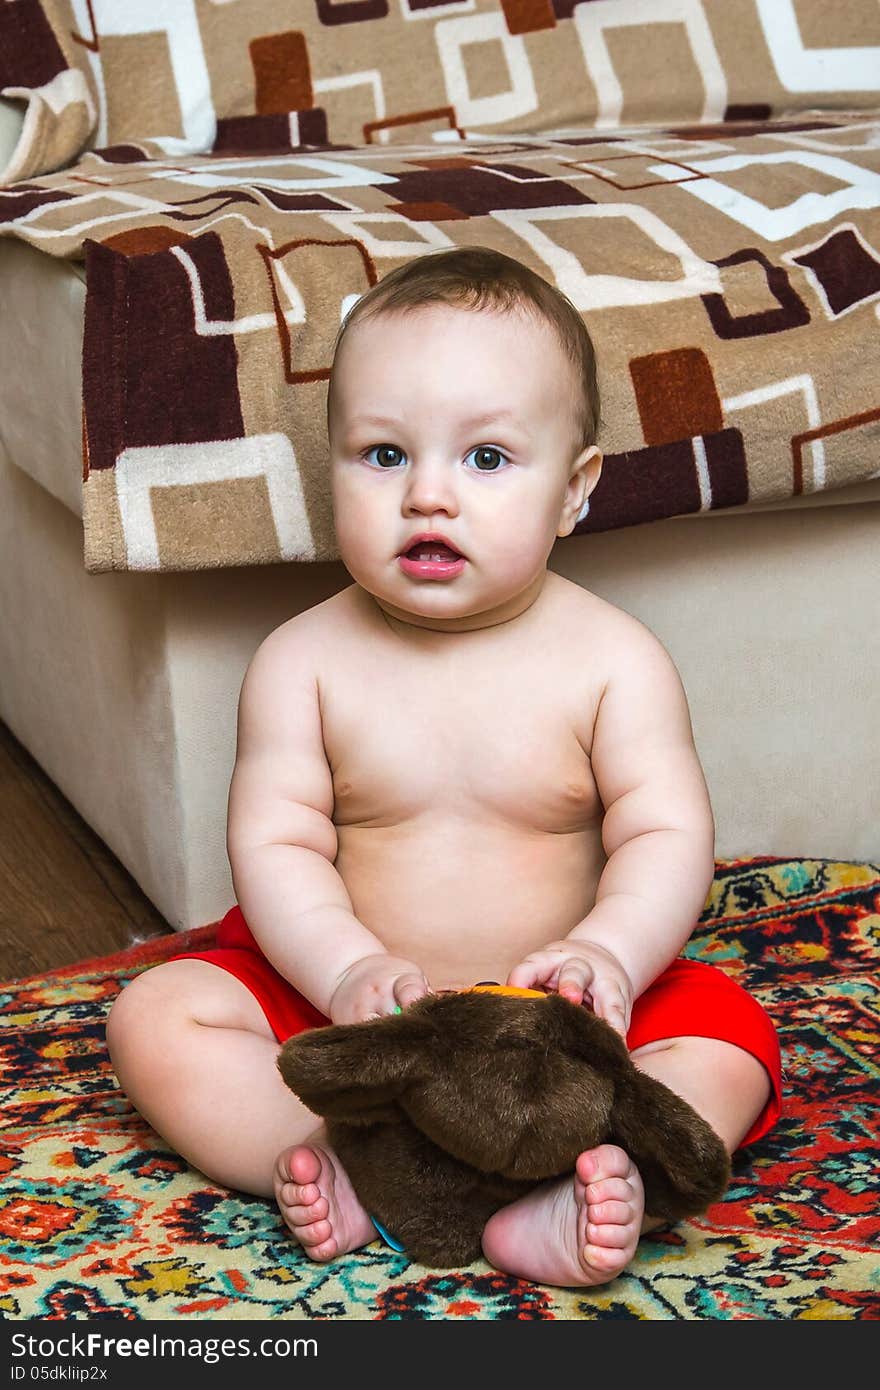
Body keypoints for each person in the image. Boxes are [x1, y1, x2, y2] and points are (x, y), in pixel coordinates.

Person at [106, 246, 781, 1289]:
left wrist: (608, 951)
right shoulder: (303, 661)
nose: (428, 495)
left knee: (727, 1043)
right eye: (383, 455)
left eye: (486, 459)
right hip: (360, 1011)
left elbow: (663, 833)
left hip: (561, 1014)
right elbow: (276, 841)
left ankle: (574, 1193)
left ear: (573, 489)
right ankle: (347, 1156)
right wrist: (341, 969)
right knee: (156, 1017)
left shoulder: (611, 661)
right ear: (331, 465)